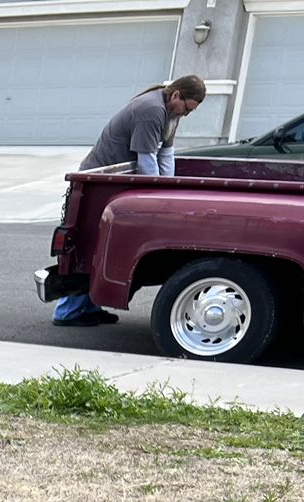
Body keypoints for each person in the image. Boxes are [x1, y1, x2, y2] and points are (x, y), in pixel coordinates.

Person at [54, 76, 208, 327]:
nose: (188, 114)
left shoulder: (171, 113)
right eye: (188, 108)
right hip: (100, 178)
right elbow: (147, 159)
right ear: (177, 95)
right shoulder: (152, 109)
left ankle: (88, 307)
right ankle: (68, 312)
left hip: (117, 179)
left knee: (102, 247)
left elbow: (165, 155)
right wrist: (157, 192)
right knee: (90, 246)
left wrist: (168, 188)